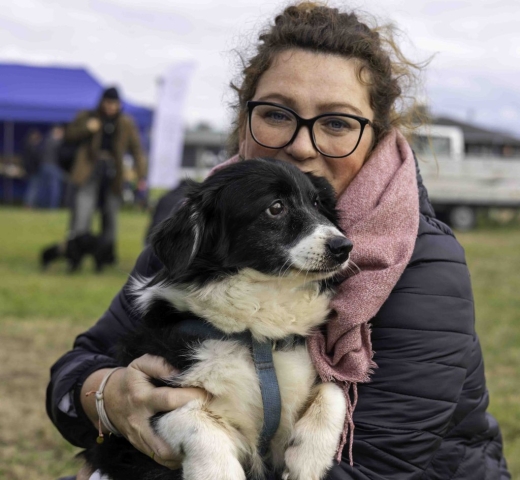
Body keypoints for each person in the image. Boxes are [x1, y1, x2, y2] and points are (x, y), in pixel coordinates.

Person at [47, 3, 510, 479]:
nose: (302, 146)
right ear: (244, 118)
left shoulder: (422, 263)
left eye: (337, 123)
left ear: (376, 136)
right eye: (276, 114)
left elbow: (376, 468)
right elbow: (76, 371)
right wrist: (104, 396)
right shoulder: (204, 225)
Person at [40, 87, 147, 272]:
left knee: (110, 215)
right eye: (108, 103)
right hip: (89, 171)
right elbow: (69, 135)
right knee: (82, 213)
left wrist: (141, 173)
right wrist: (87, 128)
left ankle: (107, 256)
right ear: (102, 102)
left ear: (119, 104)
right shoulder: (88, 116)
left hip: (113, 173)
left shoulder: (125, 123)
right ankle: (75, 255)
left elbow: (136, 149)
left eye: (114, 104)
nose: (111, 107)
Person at [39, 125, 66, 209]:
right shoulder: (57, 142)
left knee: (45, 187)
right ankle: (53, 206)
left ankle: (43, 206)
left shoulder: (46, 140)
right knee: (55, 188)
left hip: (44, 165)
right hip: (53, 166)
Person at [22, 128, 43, 208]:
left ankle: (30, 204)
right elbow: (35, 159)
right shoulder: (31, 147)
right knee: (33, 188)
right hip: (33, 170)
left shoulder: (27, 146)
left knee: (33, 187)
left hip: (31, 170)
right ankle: (29, 204)